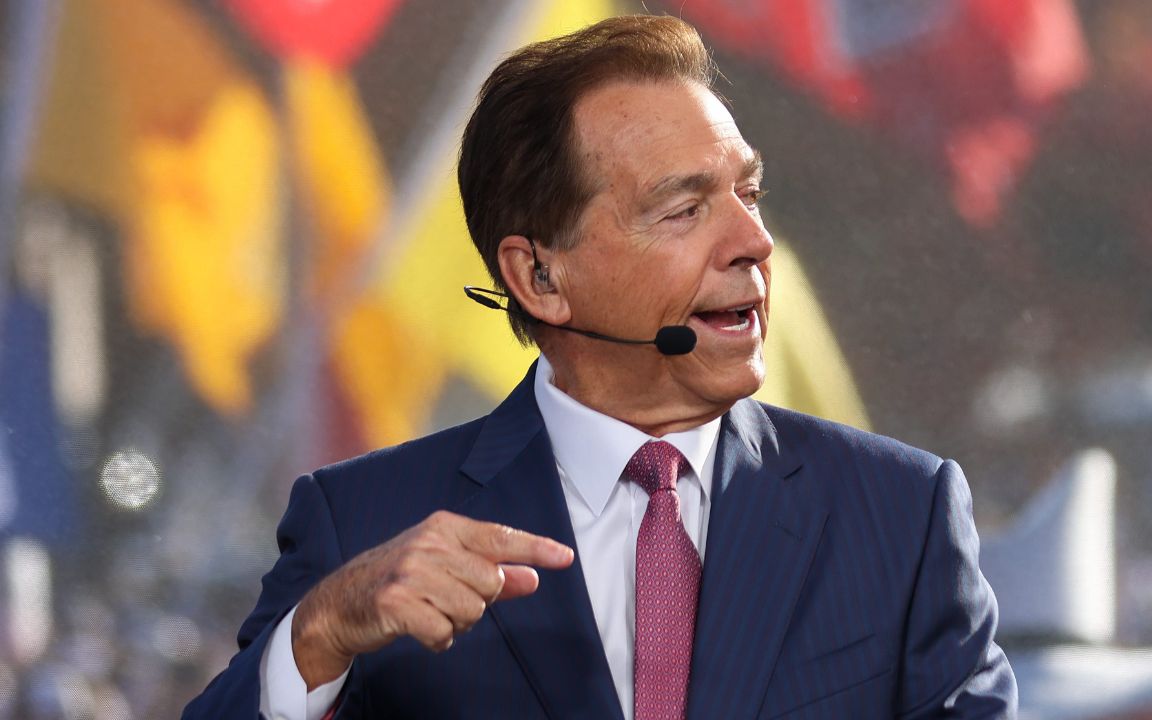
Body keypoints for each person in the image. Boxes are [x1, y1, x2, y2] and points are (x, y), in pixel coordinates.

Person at [184, 14, 1016, 720]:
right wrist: (319, 635)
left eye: (749, 195)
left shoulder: (900, 514)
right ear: (540, 278)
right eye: (683, 209)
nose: (755, 244)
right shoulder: (361, 522)